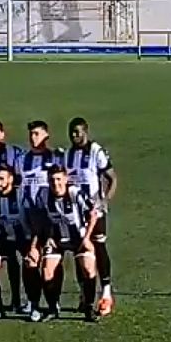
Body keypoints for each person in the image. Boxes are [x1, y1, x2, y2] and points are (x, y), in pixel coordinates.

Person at [64, 117, 119, 316]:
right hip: (76, 213)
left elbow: (112, 178)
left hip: (95, 211)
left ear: (86, 131)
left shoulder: (96, 151)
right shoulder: (67, 154)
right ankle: (85, 295)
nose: (74, 136)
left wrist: (105, 201)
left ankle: (106, 294)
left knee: (99, 247)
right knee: (81, 252)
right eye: (71, 132)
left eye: (78, 132)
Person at [32, 166, 100, 323]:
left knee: (89, 268)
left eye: (58, 179)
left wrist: (87, 238)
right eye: (52, 180)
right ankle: (52, 308)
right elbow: (41, 218)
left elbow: (93, 213)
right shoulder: (43, 195)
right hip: (57, 239)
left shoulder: (74, 193)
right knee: (47, 270)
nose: (55, 183)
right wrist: (46, 237)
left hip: (78, 239)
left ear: (66, 179)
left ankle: (88, 307)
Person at [0, 163, 39, 321]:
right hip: (4, 238)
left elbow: (36, 225)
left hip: (24, 238)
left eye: (1, 179)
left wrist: (34, 248)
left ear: (11, 179)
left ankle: (33, 305)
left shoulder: (22, 196)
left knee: (31, 263)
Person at [17, 120, 59, 314]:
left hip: (49, 218)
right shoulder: (21, 160)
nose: (33, 138)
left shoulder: (55, 159)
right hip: (28, 216)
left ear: (46, 135)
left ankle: (53, 299)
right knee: (30, 260)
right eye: (31, 134)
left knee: (50, 260)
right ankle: (32, 301)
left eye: (37, 134)